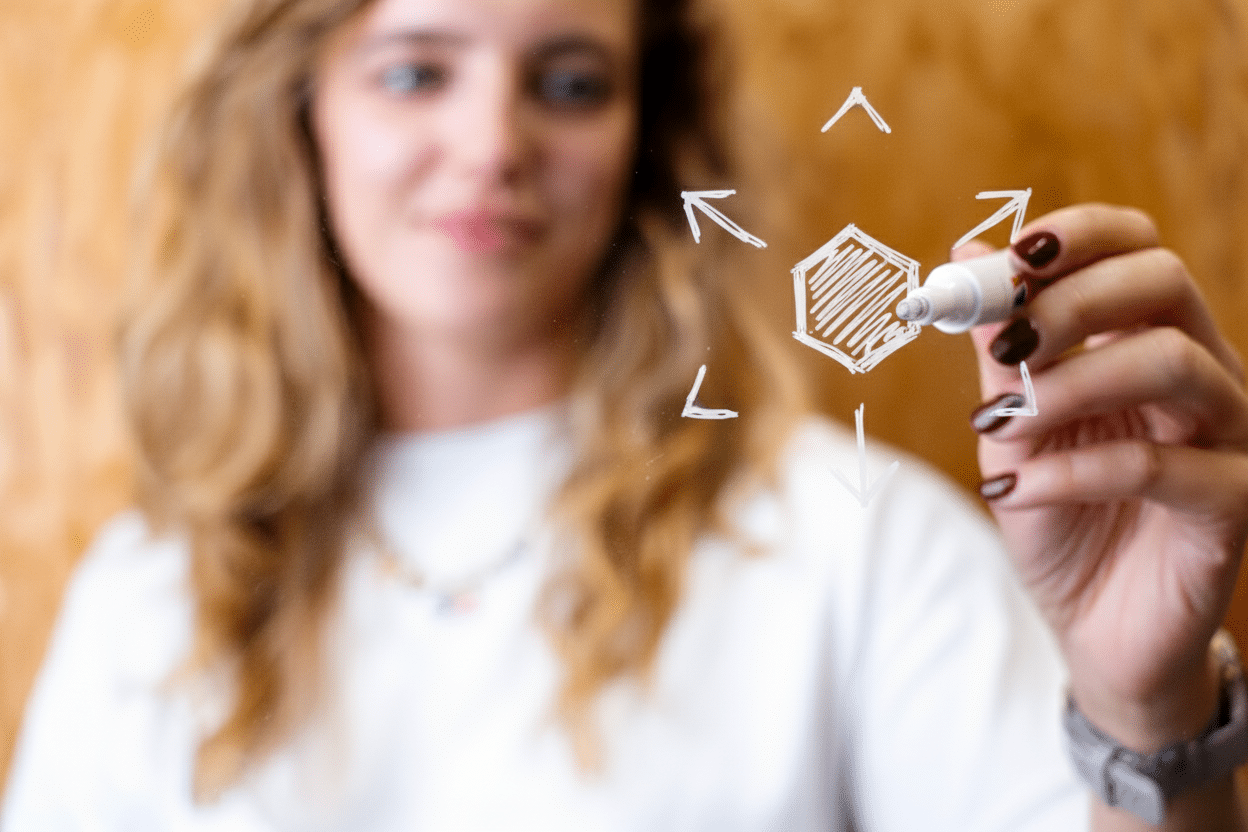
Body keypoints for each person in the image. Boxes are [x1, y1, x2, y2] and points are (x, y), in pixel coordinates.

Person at [4, 0, 1248, 828]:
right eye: (415, 71)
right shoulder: (152, 596)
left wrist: (1148, 716)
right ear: (299, 109)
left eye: (567, 81)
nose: (492, 144)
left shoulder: (855, 543)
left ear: (646, 138)